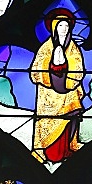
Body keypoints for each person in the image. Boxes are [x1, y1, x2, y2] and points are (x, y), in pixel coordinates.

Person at [30, 9, 85, 164]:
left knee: (71, 118)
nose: (64, 29)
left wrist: (65, 66)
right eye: (61, 26)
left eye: (67, 26)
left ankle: (68, 148)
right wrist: (53, 64)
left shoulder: (73, 48)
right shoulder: (45, 48)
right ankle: (48, 152)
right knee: (50, 122)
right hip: (49, 97)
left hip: (69, 94)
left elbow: (78, 69)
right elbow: (36, 72)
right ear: (54, 27)